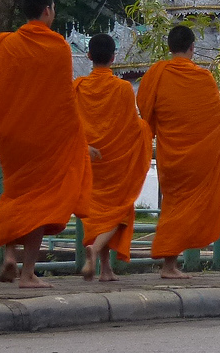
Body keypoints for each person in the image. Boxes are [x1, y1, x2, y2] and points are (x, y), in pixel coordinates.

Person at [0, 0, 94, 288]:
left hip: (12, 137)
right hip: (45, 140)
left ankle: (9, 255)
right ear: (47, 10)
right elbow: (64, 102)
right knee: (41, 202)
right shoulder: (58, 47)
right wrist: (78, 141)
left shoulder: (3, 44)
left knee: (16, 193)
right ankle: (28, 273)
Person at [136, 24, 220, 279]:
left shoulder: (156, 74)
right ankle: (169, 265)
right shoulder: (204, 78)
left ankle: (169, 263)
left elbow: (144, 109)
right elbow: (218, 117)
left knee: (172, 206)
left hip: (170, 155)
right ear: (192, 48)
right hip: (197, 158)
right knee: (184, 209)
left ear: (169, 47)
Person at [74, 33, 153, 282]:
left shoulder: (77, 87)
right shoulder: (123, 89)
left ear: (88, 56)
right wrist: (146, 130)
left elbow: (69, 125)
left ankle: (106, 270)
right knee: (118, 210)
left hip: (89, 159)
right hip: (116, 162)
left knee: (98, 213)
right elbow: (132, 127)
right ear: (113, 58)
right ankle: (95, 251)